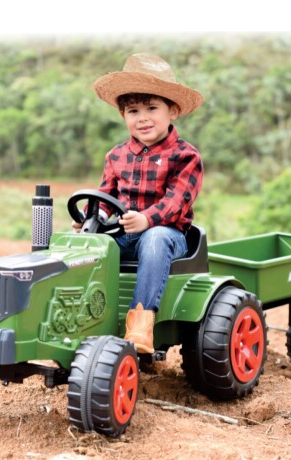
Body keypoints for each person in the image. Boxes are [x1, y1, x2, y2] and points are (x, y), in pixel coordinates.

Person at [72, 53, 204, 353]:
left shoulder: (186, 156)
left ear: (172, 111)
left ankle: (140, 326)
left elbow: (176, 203)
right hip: (123, 235)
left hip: (170, 236)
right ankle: (81, 314)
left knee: (155, 238)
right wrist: (90, 218)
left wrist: (146, 219)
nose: (142, 117)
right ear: (123, 116)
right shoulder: (115, 156)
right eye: (133, 110)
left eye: (151, 108)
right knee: (84, 242)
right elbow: (105, 198)